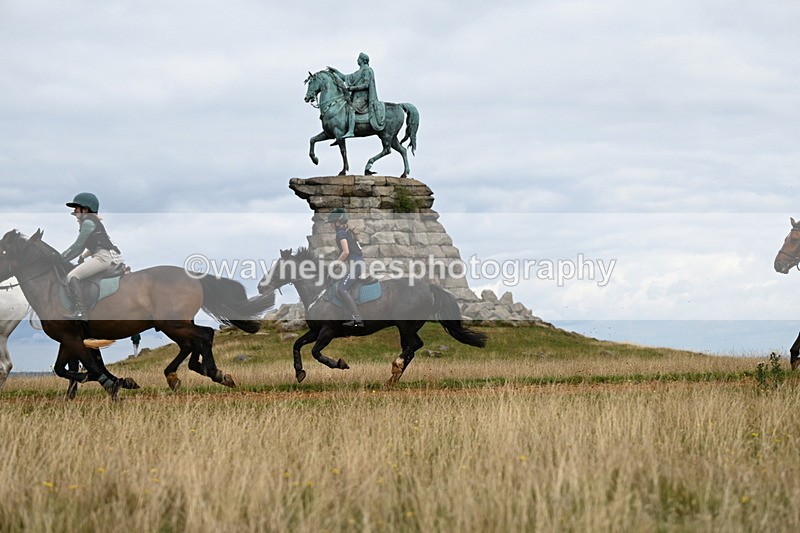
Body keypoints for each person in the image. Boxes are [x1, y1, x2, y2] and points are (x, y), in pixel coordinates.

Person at [60, 192, 123, 320]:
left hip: (102, 258)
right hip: (102, 255)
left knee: (72, 276)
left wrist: (60, 258)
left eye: (76, 207)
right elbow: (95, 245)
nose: (74, 211)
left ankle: (81, 312)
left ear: (85, 209)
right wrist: (83, 256)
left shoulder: (88, 223)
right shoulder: (92, 222)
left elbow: (78, 247)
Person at [327, 52, 385, 141]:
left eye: (358, 58)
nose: (357, 60)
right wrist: (335, 71)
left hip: (363, 98)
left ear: (363, 60)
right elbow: (345, 77)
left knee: (351, 109)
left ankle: (351, 131)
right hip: (355, 98)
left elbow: (366, 85)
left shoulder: (367, 70)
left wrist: (352, 88)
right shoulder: (358, 72)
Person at [327, 208, 364, 327]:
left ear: (338, 222)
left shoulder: (341, 233)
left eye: (332, 223)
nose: (331, 226)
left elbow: (346, 252)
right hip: (358, 264)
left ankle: (357, 318)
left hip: (356, 265)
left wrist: (335, 264)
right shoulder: (347, 231)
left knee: (341, 289)